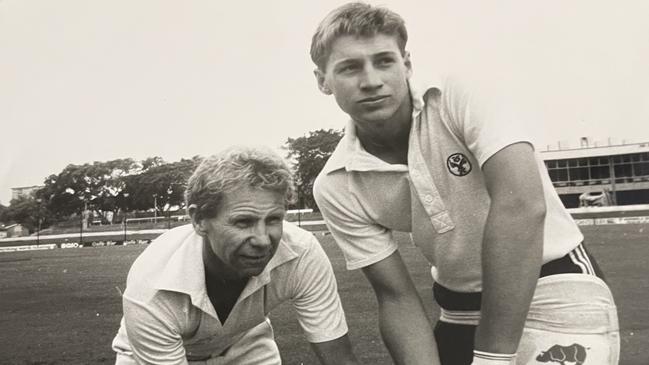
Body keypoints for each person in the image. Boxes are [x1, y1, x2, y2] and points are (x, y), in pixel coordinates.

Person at [310, 3, 620, 365]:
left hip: (553, 283)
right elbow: (396, 297)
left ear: (406, 64)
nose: (371, 80)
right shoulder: (335, 184)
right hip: (457, 308)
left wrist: (492, 358)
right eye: (349, 67)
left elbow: (521, 206)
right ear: (323, 81)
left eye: (384, 61)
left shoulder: (458, 93)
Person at [112, 146, 359, 365]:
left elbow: (338, 357)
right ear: (199, 220)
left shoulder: (301, 252)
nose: (263, 240)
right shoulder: (151, 285)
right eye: (243, 222)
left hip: (245, 346)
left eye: (273, 219)